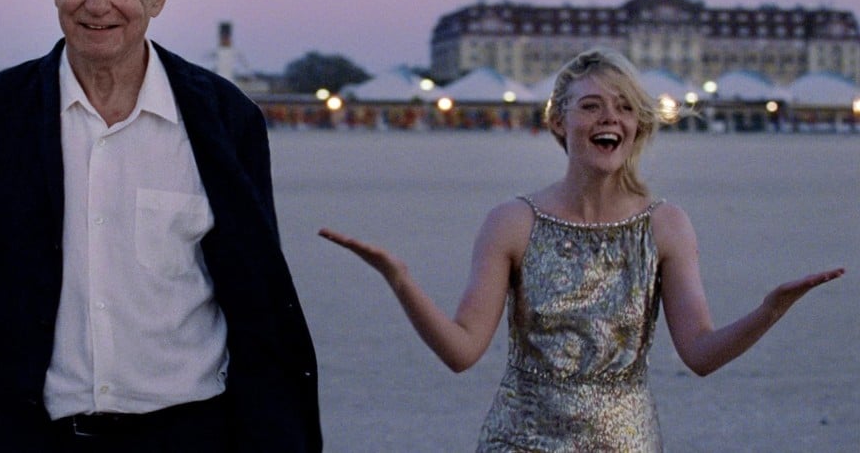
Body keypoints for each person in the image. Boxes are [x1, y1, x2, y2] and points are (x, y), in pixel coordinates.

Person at [0, 0, 321, 452]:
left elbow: (259, 304)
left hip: (192, 436)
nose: (97, 3)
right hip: (36, 438)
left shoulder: (226, 120)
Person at [319, 47, 843, 452]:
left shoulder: (666, 226)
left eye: (622, 107)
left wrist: (770, 310)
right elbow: (461, 352)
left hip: (626, 441)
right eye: (590, 106)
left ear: (637, 126)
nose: (608, 117)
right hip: (520, 440)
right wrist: (400, 281)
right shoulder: (512, 222)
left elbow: (701, 353)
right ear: (558, 122)